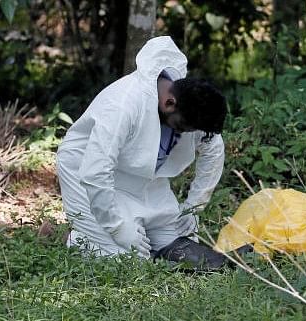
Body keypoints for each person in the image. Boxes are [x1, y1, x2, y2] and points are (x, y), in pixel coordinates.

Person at [56, 36, 228, 266]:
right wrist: (117, 227)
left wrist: (193, 207)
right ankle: (81, 238)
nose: (187, 134)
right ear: (169, 103)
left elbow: (213, 150)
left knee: (181, 245)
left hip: (139, 174)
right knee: (128, 259)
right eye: (182, 128)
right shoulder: (123, 104)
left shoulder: (188, 103)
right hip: (85, 171)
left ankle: (136, 230)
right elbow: (96, 170)